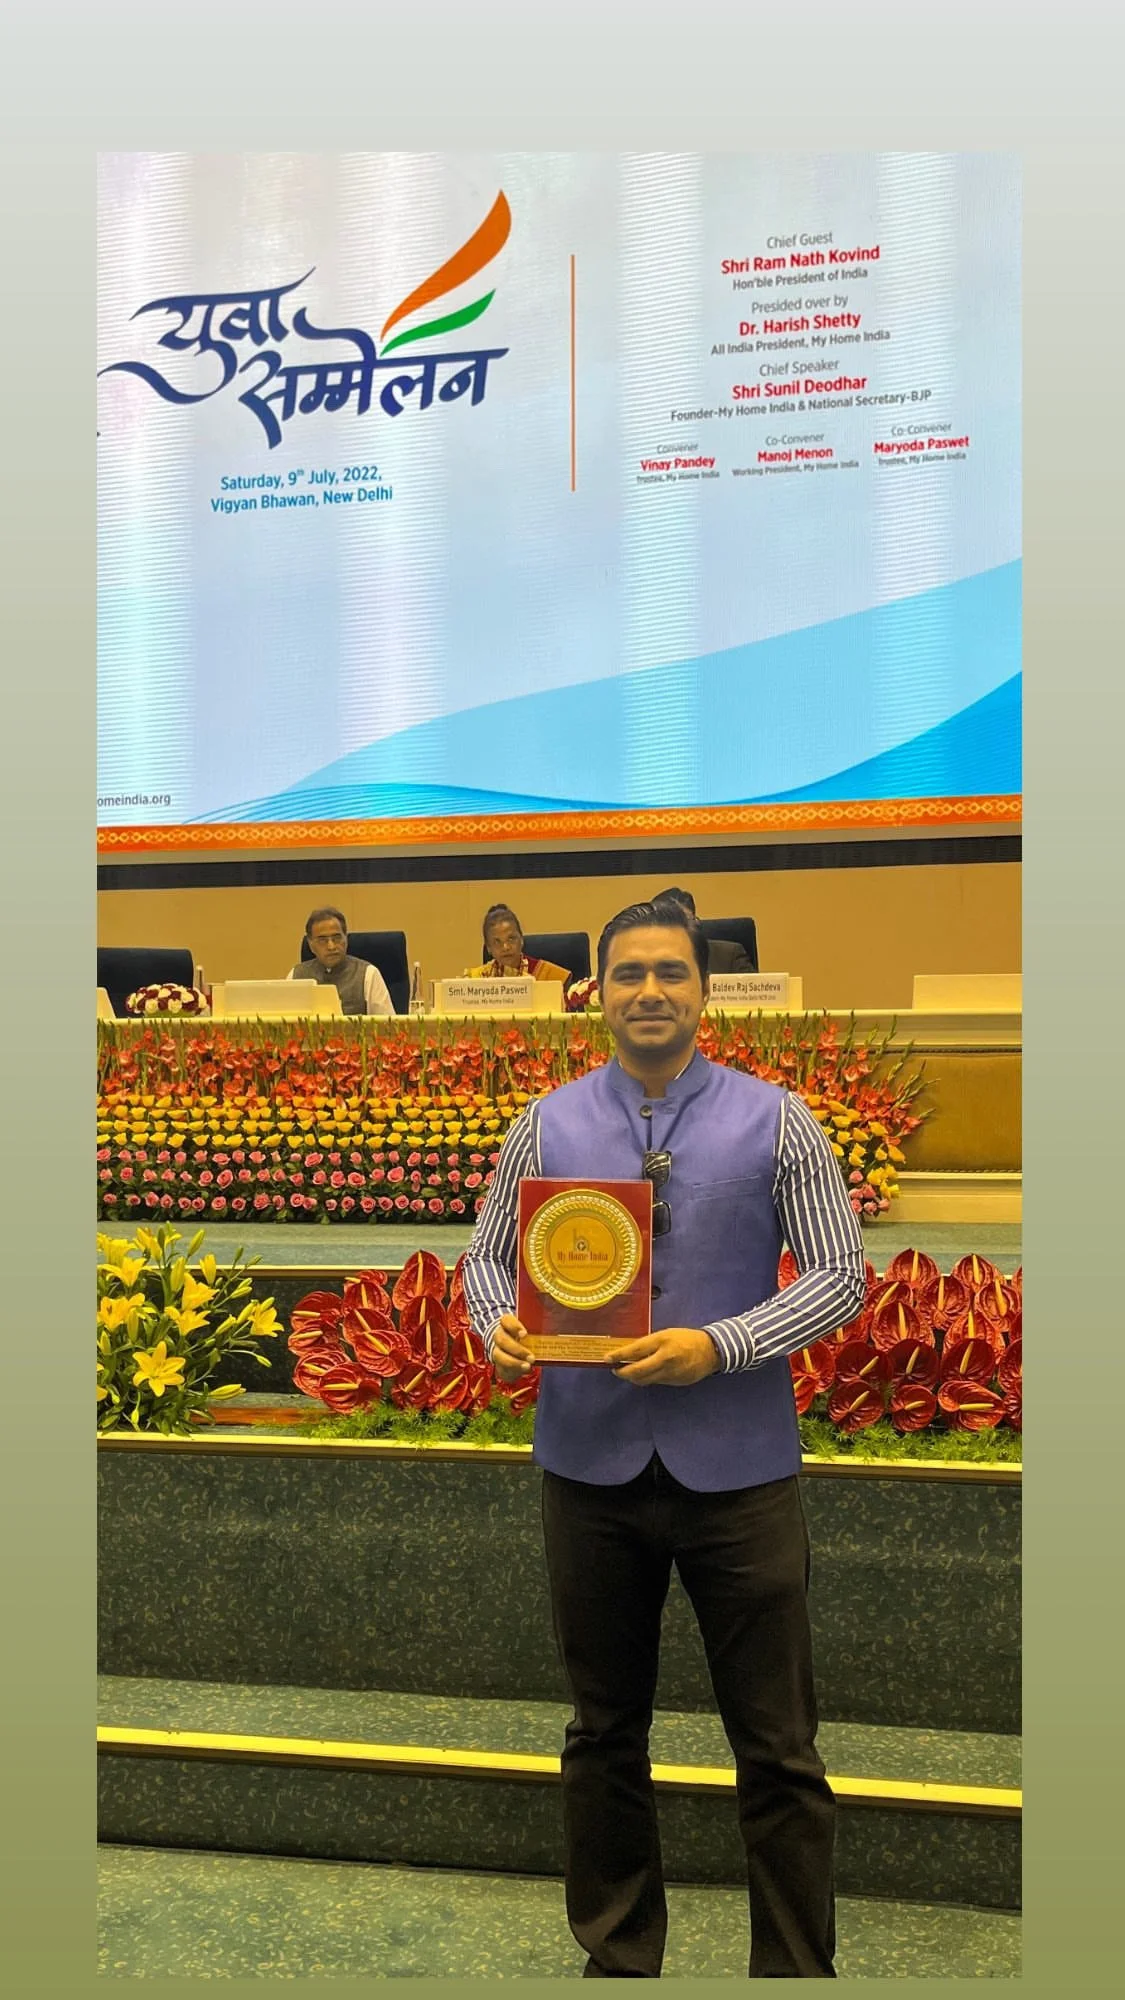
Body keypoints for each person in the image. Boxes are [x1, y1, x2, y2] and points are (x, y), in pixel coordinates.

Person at [462, 894, 865, 1979]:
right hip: (589, 1466)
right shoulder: (542, 1123)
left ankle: (792, 1963)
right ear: (598, 991)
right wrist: (492, 1322)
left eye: (670, 972)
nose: (650, 989)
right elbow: (485, 1259)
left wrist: (721, 1345)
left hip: (739, 1473)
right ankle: (619, 1950)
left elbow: (839, 1273)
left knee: (779, 1746)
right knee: (602, 1732)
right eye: (629, 971)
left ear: (703, 990)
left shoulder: (780, 1119)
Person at [287, 908, 394, 1017]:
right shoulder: (295, 976)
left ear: (346, 939)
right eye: (322, 940)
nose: (331, 946)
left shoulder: (369, 974)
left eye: (337, 938)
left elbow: (388, 1026)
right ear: (311, 945)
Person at [466, 904, 572, 986]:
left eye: (511, 939)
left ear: (521, 940)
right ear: (489, 948)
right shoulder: (476, 980)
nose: (506, 947)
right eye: (497, 942)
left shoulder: (548, 976)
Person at [659, 885, 755, 973]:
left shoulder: (730, 956)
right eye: (670, 923)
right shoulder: (647, 960)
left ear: (696, 923)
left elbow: (754, 991)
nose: (677, 930)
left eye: (684, 921)